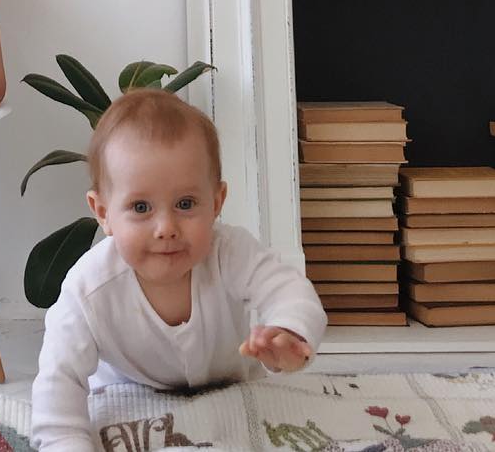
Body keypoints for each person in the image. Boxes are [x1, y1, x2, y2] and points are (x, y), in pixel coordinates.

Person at [31, 89, 326, 451]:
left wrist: (289, 332)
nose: (166, 227)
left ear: (216, 202)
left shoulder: (230, 252)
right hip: (129, 396)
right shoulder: (87, 288)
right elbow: (58, 378)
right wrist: (65, 442)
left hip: (234, 392)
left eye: (185, 204)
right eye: (141, 207)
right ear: (103, 212)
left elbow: (290, 290)